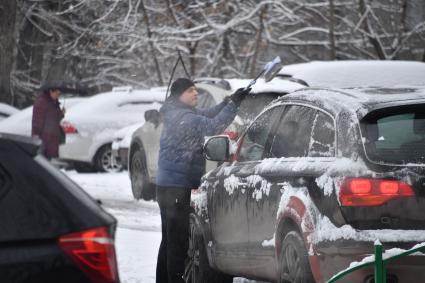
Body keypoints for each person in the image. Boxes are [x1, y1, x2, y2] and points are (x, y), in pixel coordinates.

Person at [155, 78, 250, 283]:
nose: (196, 93)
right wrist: (234, 106)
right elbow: (212, 125)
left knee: (169, 240)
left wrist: (227, 102)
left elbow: (206, 114)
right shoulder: (185, 118)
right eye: (190, 91)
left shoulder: (177, 112)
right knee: (177, 243)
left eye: (196, 90)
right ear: (180, 94)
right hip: (175, 188)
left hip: (167, 185)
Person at [31, 81, 66, 159]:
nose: (58, 96)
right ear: (51, 91)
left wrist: (61, 113)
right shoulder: (42, 102)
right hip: (44, 139)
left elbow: (54, 118)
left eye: (59, 94)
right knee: (42, 162)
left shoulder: (54, 102)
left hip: (52, 139)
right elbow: (37, 121)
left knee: (49, 163)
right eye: (57, 94)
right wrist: (37, 138)